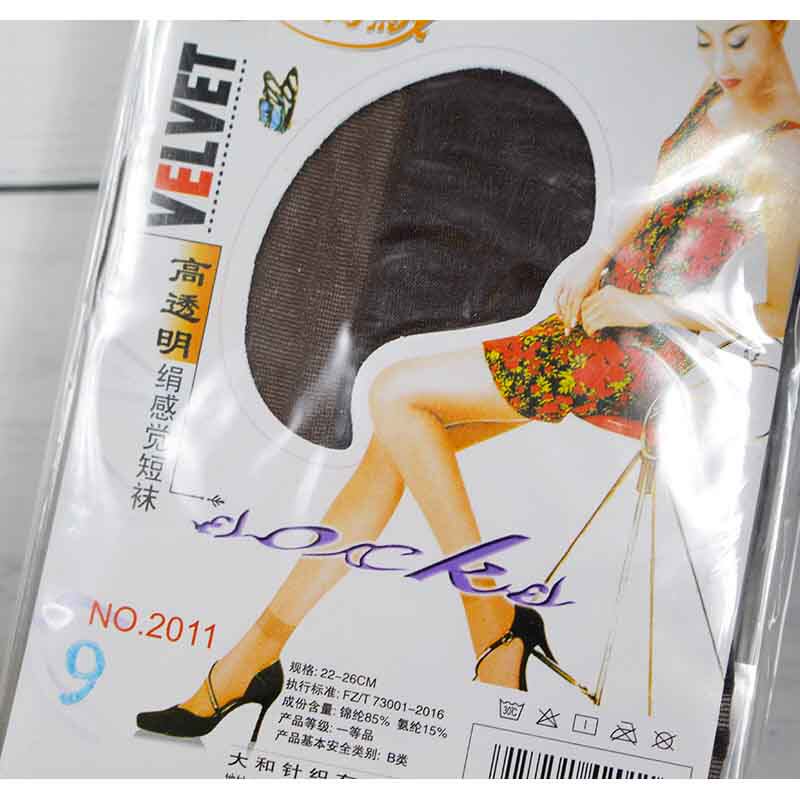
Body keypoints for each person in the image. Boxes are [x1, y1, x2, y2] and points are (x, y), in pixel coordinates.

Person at [137, 20, 800, 741]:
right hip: (593, 321)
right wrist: (594, 255)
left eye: (737, 40)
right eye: (704, 39)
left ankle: (490, 622)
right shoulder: (720, 89)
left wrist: (643, 306)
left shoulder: (786, 150)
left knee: (394, 394)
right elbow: (657, 199)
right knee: (392, 443)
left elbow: (771, 317)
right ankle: (253, 659)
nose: (718, 58)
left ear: (778, 25)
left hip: (640, 355)